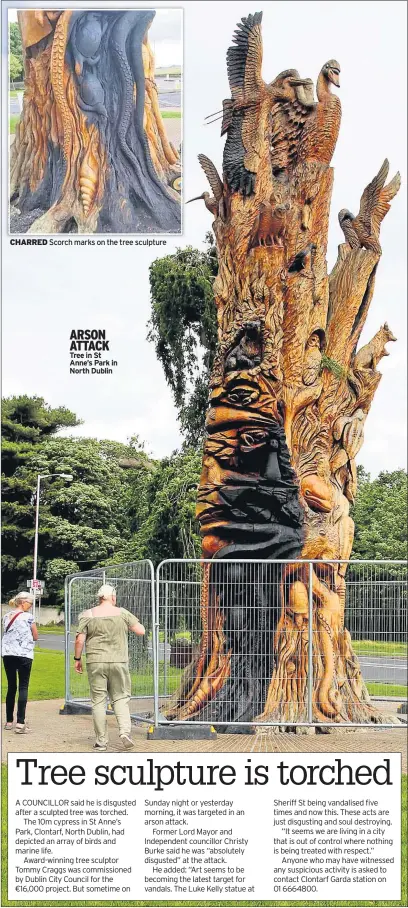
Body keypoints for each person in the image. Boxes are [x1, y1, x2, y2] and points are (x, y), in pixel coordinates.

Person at [74, 583, 145, 751]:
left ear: (100, 598)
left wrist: (77, 658)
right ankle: (125, 732)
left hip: (96, 661)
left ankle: (101, 741)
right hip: (119, 661)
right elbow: (140, 631)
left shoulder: (88, 614)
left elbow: (79, 640)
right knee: (120, 698)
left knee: (98, 701)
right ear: (113, 597)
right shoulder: (123, 613)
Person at [2, 591, 38, 733]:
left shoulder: (6, 616)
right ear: (23, 602)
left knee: (11, 687)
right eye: (30, 603)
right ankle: (20, 722)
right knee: (23, 686)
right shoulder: (29, 617)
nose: (31, 606)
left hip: (8, 654)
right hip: (24, 654)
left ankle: (9, 721)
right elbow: (35, 636)